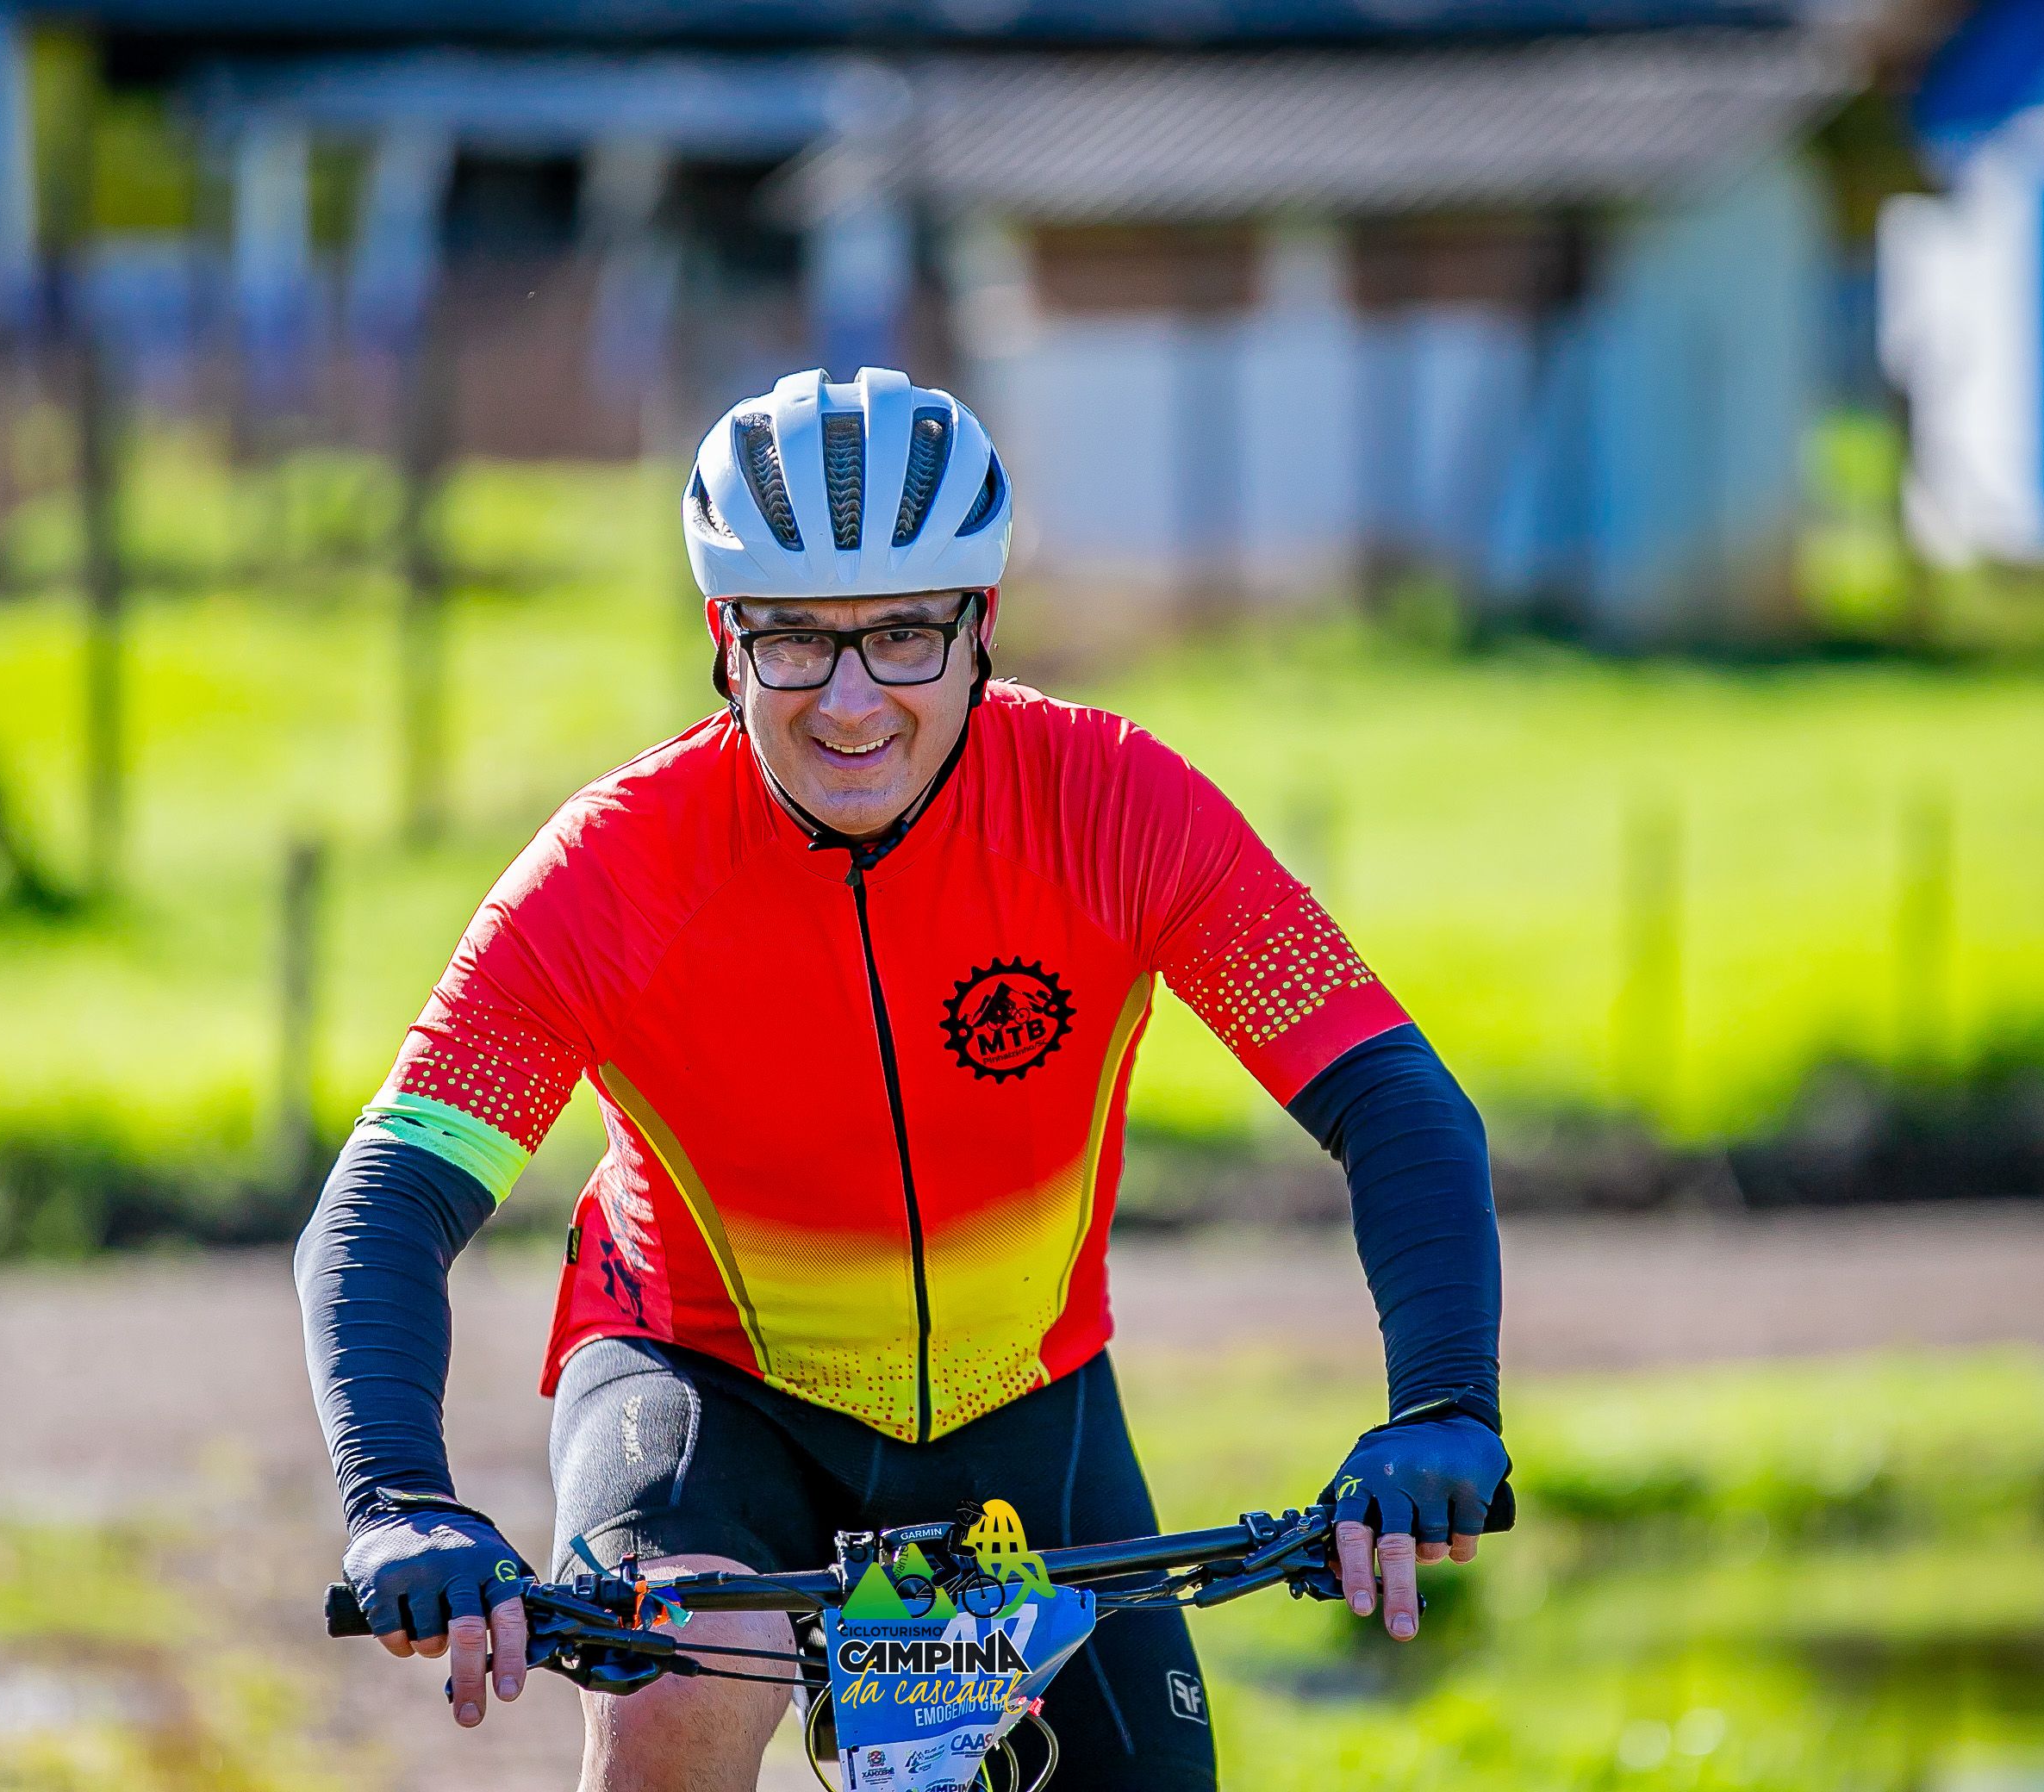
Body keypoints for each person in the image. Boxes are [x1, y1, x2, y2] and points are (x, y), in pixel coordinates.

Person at [296, 367, 1508, 1790]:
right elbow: (387, 1201)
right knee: (680, 1683)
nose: (853, 700)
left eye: (904, 635)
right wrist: (400, 1499)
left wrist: (1443, 1404)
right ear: (724, 642)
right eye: (795, 641)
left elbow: (1391, 1097)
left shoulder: (1114, 806)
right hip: (707, 1388)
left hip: (1023, 1399)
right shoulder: (614, 872)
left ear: (981, 628)